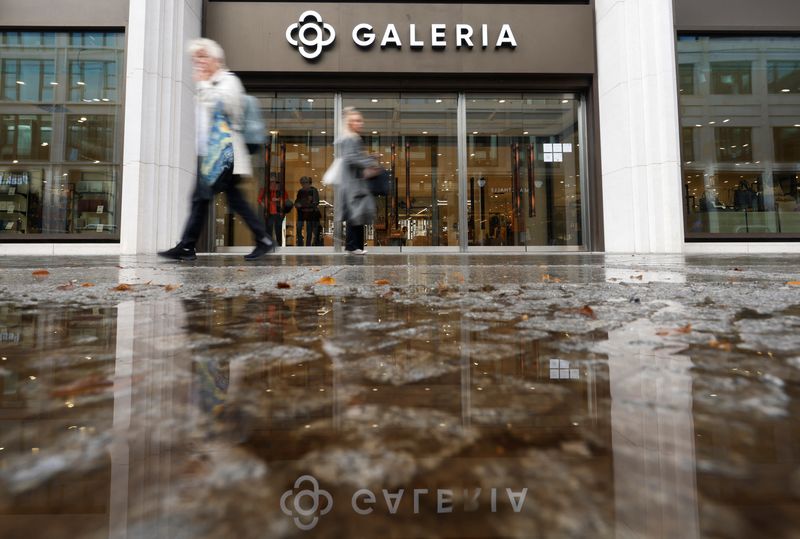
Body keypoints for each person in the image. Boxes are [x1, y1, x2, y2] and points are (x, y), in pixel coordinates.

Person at [159, 38, 274, 261]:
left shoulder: (228, 81)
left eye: (203, 56)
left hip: (224, 153)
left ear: (216, 59)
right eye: (196, 58)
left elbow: (227, 106)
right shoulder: (210, 84)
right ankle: (262, 239)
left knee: (204, 198)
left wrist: (202, 85)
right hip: (211, 153)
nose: (198, 62)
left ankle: (188, 246)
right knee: (217, 198)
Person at [335, 107, 378, 254]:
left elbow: (354, 157)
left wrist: (370, 159)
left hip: (355, 182)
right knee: (356, 214)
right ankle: (354, 246)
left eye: (360, 120)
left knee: (358, 214)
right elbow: (351, 158)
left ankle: (355, 246)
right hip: (352, 183)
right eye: (355, 121)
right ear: (349, 123)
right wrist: (369, 162)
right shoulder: (349, 138)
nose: (359, 123)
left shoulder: (354, 138)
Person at [259, 173, 288, 246]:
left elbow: (286, 198)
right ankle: (269, 245)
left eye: (274, 181)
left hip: (278, 212)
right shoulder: (265, 189)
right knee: (269, 229)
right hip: (269, 212)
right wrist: (265, 206)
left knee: (278, 230)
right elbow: (259, 199)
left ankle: (279, 245)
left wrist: (278, 199)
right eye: (271, 181)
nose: (273, 182)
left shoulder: (280, 190)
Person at [294, 176, 322, 246]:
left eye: (306, 182)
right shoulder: (300, 191)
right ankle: (300, 244)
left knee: (309, 230)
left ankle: (308, 245)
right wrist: (298, 204)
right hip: (302, 212)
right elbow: (297, 201)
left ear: (309, 183)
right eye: (302, 183)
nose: (304, 184)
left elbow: (316, 202)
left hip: (310, 213)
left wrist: (302, 204)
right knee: (299, 228)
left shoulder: (313, 190)